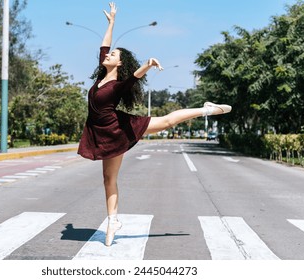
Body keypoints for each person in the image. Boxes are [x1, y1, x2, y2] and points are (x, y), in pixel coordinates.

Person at [77, 2, 231, 246]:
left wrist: (147, 64)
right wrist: (112, 23)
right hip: (102, 133)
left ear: (119, 63)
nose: (108, 55)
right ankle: (113, 220)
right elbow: (103, 44)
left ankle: (206, 109)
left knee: (168, 121)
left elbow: (133, 77)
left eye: (113, 55)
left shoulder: (117, 85)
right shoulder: (100, 76)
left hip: (119, 128)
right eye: (108, 54)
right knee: (108, 179)